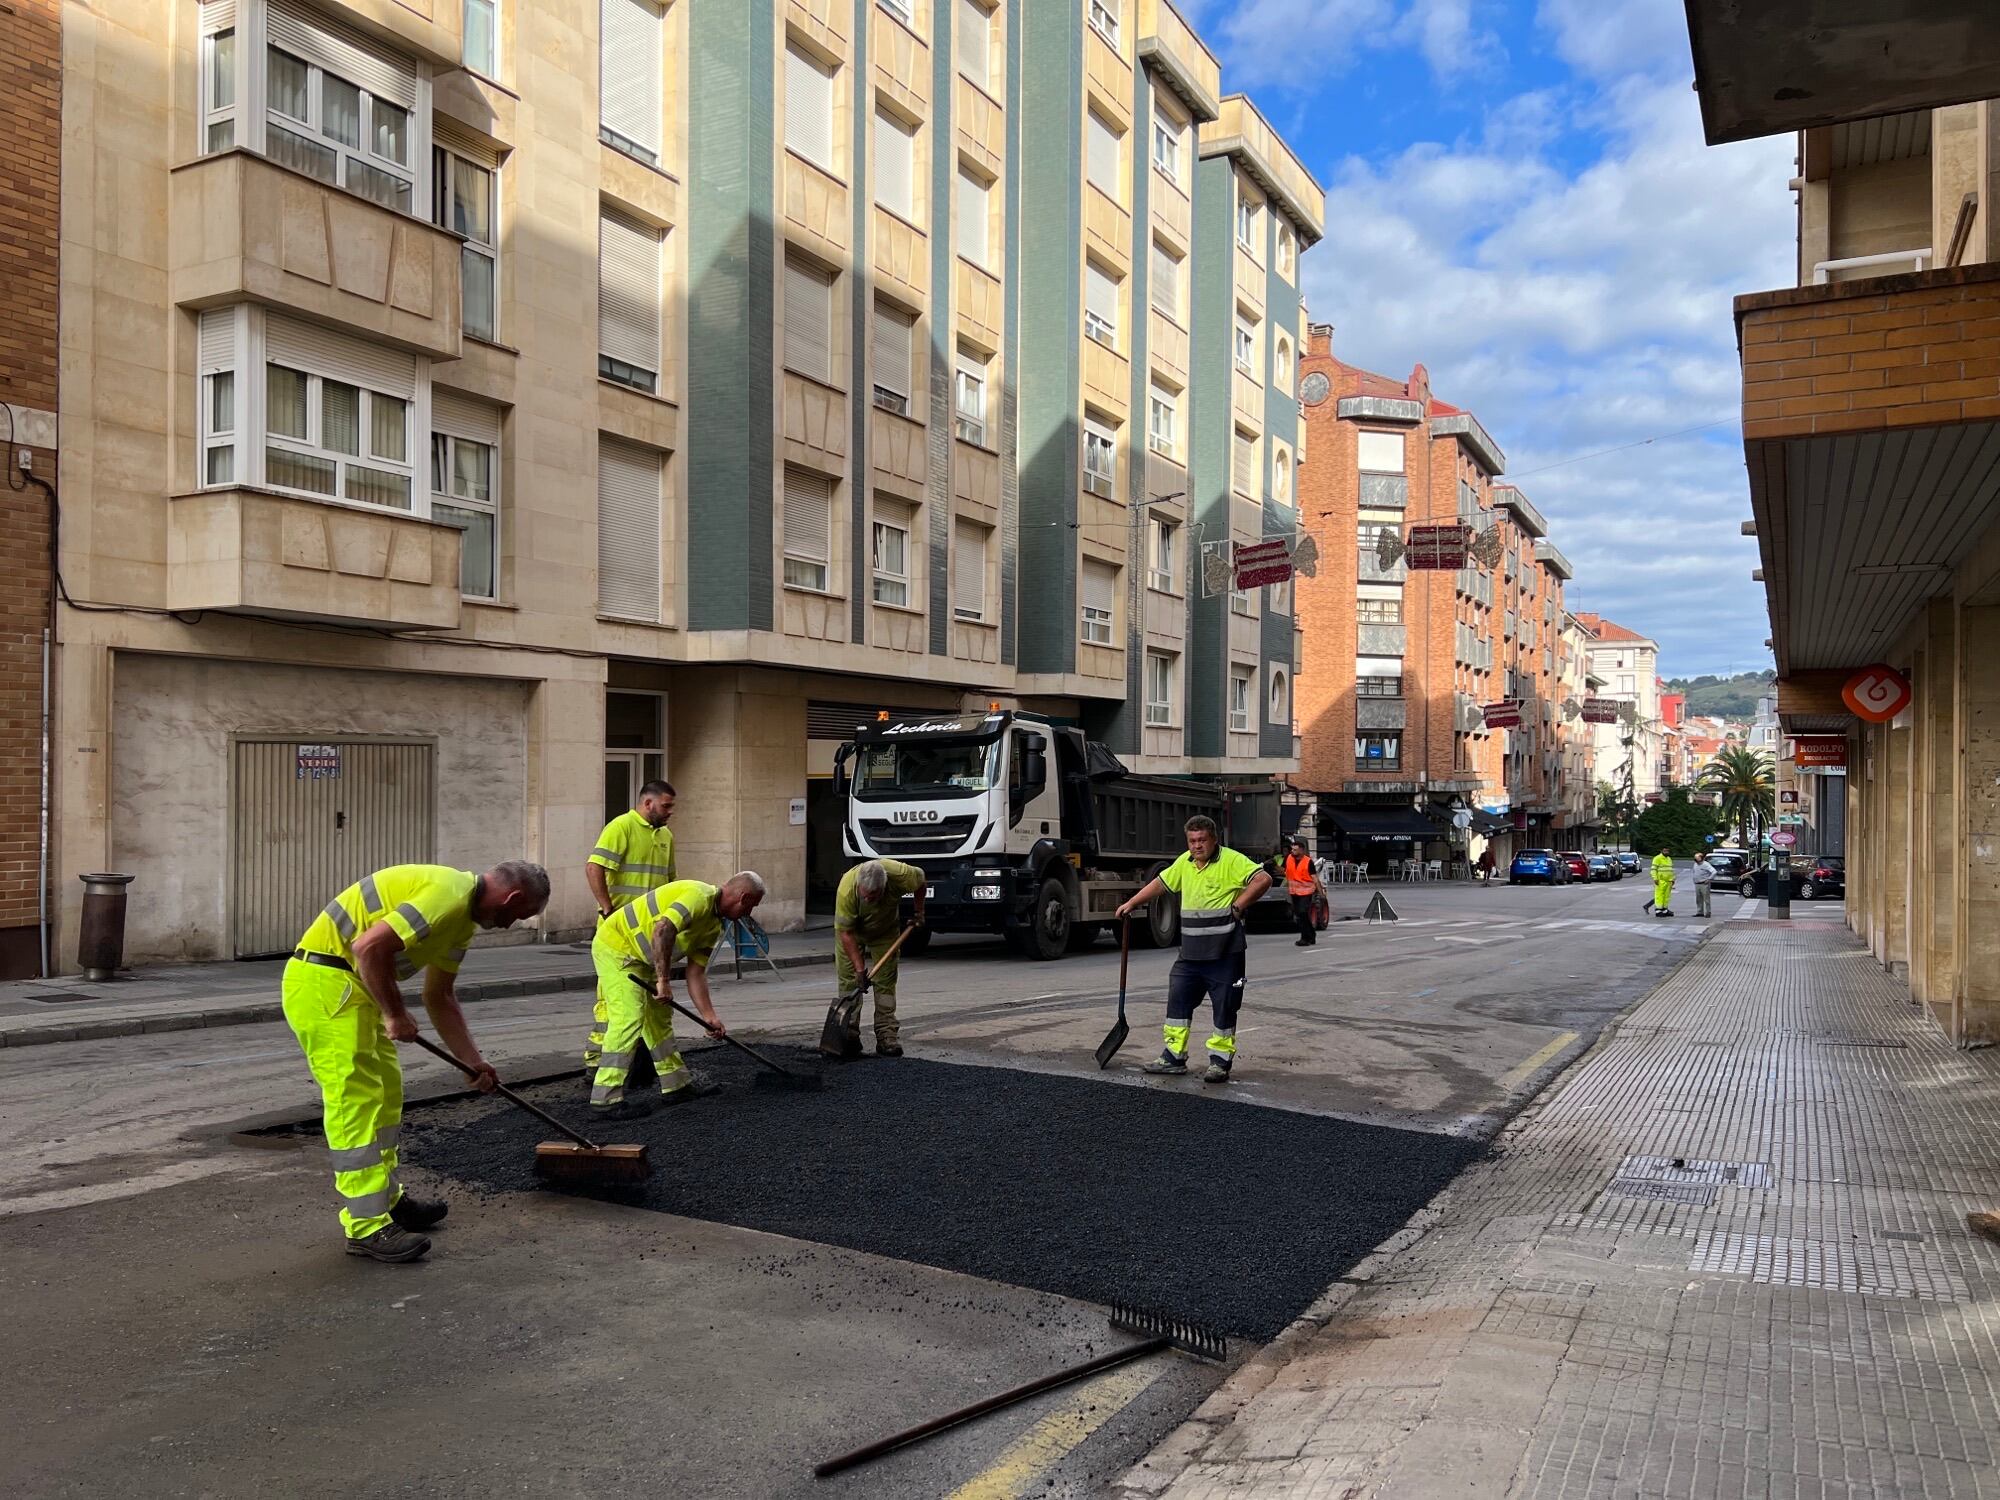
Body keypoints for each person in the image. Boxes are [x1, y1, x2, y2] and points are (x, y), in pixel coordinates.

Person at [282, 861, 552, 1264]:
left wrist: (472, 1062)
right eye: (518, 915)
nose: (511, 924)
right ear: (512, 899)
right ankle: (366, 1226)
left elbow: (439, 996)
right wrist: (394, 1014)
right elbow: (367, 947)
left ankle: (387, 1200)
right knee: (355, 1100)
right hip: (325, 983)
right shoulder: (447, 894)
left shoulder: (461, 921)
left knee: (387, 1095)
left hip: (352, 989)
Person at [589, 873, 767, 1117]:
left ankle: (676, 1086)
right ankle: (605, 1099)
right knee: (629, 1017)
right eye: (751, 906)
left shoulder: (713, 926)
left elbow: (695, 973)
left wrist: (709, 1016)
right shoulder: (698, 896)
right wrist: (663, 981)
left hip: (641, 960)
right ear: (743, 897)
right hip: (616, 948)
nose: (749, 914)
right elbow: (663, 929)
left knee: (659, 1021)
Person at [1115, 816, 1275, 1084]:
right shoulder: (1184, 863)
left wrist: (1238, 906)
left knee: (1224, 1007)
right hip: (1190, 953)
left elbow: (1263, 879)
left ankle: (1219, 1063)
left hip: (1225, 953)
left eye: (1202, 840)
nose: (1197, 846)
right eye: (1192, 841)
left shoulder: (1232, 860)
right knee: (1178, 998)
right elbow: (1161, 884)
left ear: (1214, 839)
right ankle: (1173, 1057)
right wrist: (1132, 902)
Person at [582, 781, 678, 1074]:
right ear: (647, 803)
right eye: (666, 806)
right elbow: (594, 867)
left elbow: (670, 884)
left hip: (649, 936)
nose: (670, 812)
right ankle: (597, 1063)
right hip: (619, 936)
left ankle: (639, 1063)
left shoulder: (666, 836)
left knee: (651, 1001)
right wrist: (607, 909)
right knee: (613, 1003)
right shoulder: (621, 827)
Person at [833, 858, 926, 1057]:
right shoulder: (846, 891)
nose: (868, 900)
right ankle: (848, 1035)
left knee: (885, 981)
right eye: (865, 896)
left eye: (873, 897)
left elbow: (921, 883)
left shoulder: (902, 875)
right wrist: (860, 969)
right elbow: (846, 934)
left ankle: (886, 1036)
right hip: (852, 934)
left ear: (884, 887)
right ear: (859, 886)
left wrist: (919, 911)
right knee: (850, 983)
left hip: (885, 932)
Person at [1282, 838, 1320, 946]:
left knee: (1302, 913)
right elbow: (1284, 871)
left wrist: (1321, 893)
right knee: (1300, 915)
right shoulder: (1289, 858)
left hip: (1306, 892)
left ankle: (1305, 938)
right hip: (1294, 892)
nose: (1292, 852)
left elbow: (1315, 878)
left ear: (1302, 851)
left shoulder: (1308, 862)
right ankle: (1311, 935)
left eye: (1295, 850)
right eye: (1292, 849)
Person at [1646, 849, 1676, 916]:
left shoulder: (1669, 859)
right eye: (1665, 851)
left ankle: (1665, 910)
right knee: (1659, 896)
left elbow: (1670, 870)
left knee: (1666, 896)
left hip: (1668, 881)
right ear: (1661, 851)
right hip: (1660, 880)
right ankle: (1658, 911)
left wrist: (1673, 879)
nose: (1667, 852)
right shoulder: (1657, 858)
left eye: (1668, 851)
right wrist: (1655, 878)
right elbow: (1653, 869)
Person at [1691, 851, 1715, 919]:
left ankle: (1708, 912)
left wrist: (1709, 879)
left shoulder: (1706, 864)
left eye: (1697, 858)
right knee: (1698, 899)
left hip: (1704, 884)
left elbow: (1714, 872)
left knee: (1706, 899)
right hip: (1697, 883)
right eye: (1695, 858)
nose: (1695, 859)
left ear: (1701, 858)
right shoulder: (1695, 864)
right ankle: (1700, 912)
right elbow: (1694, 872)